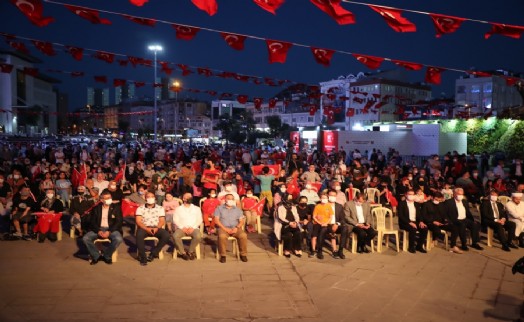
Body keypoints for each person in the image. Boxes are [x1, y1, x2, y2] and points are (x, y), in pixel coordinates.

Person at [82, 191, 123, 265]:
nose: (109, 199)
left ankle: (107, 255)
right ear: (101, 200)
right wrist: (98, 231)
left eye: (110, 197)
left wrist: (109, 231)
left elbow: (119, 222)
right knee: (86, 238)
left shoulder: (116, 207)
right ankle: (96, 256)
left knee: (118, 239)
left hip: (111, 229)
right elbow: (92, 222)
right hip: (99, 228)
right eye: (106, 198)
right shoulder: (96, 208)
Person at [135, 191, 171, 266]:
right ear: (145, 198)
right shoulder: (140, 208)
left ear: (155, 198)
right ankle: (143, 257)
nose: (150, 198)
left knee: (166, 235)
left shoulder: (160, 208)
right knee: (139, 234)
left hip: (156, 227)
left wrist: (157, 228)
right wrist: (146, 228)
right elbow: (138, 221)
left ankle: (153, 253)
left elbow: (162, 220)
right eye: (148, 197)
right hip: (145, 227)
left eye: (152, 197)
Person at [214, 193, 248, 263]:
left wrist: (236, 227)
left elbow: (241, 221)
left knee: (243, 235)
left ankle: (243, 254)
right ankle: (223, 255)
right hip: (223, 228)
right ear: (225, 200)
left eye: (232, 199)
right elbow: (216, 220)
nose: (230, 200)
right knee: (222, 236)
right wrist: (225, 229)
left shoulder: (237, 210)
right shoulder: (219, 208)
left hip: (235, 227)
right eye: (229, 199)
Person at [172, 192, 203, 260]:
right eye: (188, 197)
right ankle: (183, 253)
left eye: (190, 197)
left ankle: (190, 251)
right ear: (184, 199)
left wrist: (193, 227)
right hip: (182, 228)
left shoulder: (196, 208)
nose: (190, 198)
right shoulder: (178, 209)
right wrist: (182, 228)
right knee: (175, 236)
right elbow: (175, 220)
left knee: (198, 236)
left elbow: (199, 220)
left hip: (193, 228)